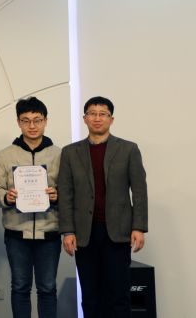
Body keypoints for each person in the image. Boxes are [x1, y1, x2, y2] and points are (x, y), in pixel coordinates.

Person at [58, 96, 148, 318]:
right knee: (90, 295)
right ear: (85, 118)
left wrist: (138, 227)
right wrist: (67, 231)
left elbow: (139, 191)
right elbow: (66, 194)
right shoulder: (70, 152)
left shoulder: (128, 149)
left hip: (117, 232)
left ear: (111, 119)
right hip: (84, 234)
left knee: (118, 294)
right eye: (92, 114)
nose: (97, 118)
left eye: (102, 114)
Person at [0, 97, 61, 318]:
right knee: (20, 287)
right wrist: (6, 197)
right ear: (18, 122)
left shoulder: (59, 154)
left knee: (47, 288)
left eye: (37, 120)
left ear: (46, 121)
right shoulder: (5, 155)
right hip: (16, 232)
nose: (32, 126)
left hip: (49, 232)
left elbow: (69, 190)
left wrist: (57, 195)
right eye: (26, 120)